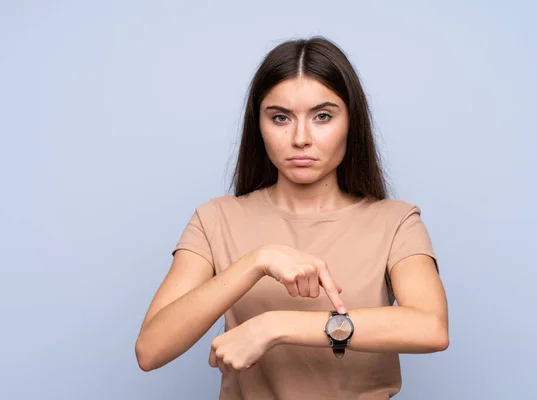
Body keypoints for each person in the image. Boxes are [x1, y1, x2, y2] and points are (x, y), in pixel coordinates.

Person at [135, 36, 449, 399]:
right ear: (259, 126)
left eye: (323, 117)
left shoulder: (395, 222)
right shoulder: (215, 220)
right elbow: (150, 350)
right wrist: (257, 261)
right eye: (281, 118)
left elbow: (431, 327)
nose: (301, 138)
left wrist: (275, 326)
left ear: (351, 123)